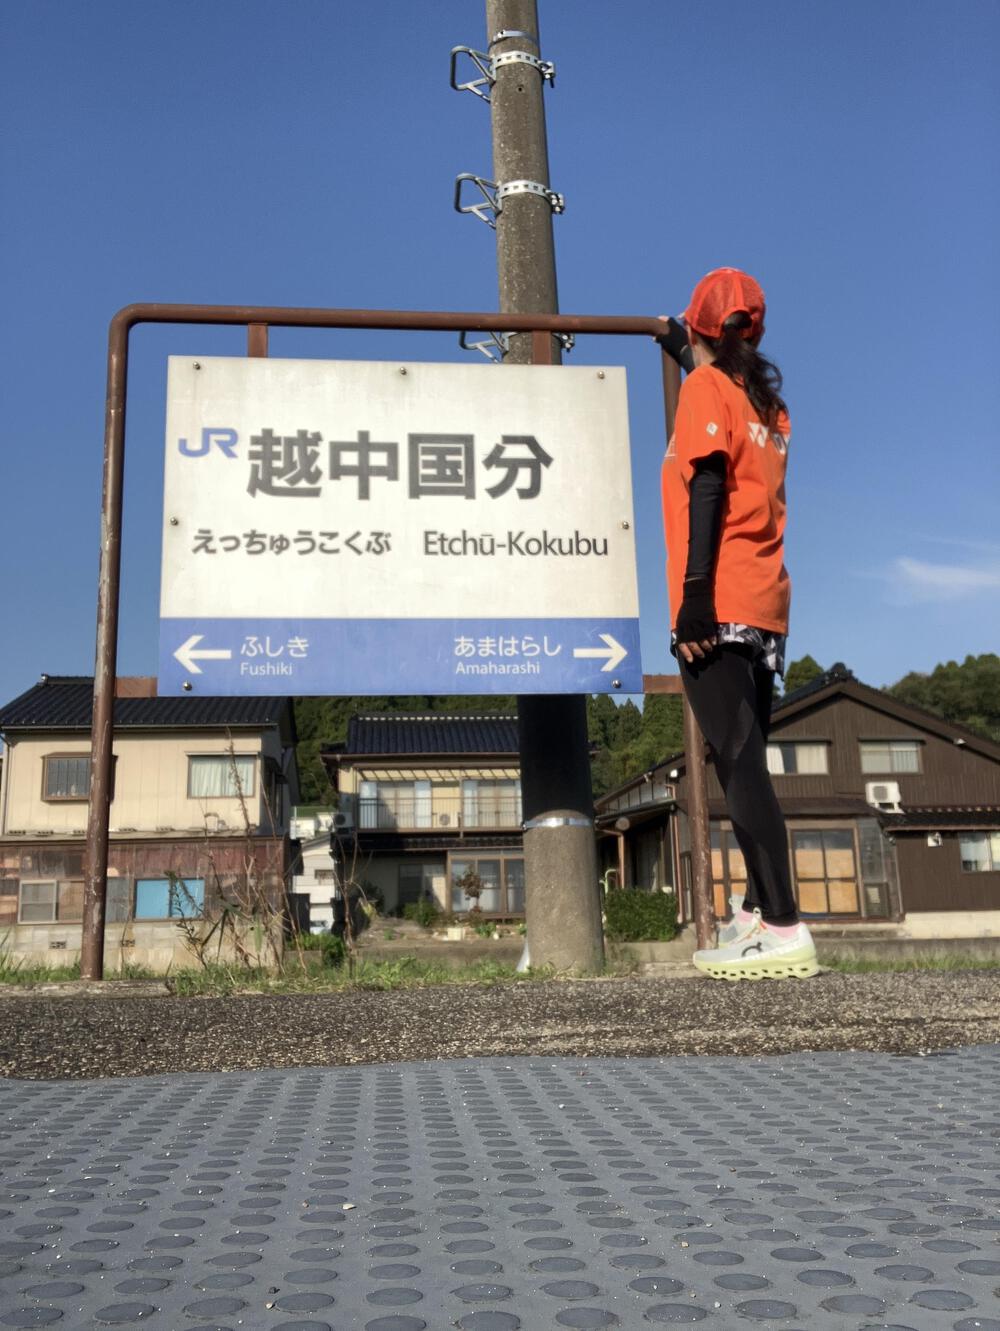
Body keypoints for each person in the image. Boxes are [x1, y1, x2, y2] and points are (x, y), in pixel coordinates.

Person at [659, 267, 819, 980]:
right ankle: (757, 911)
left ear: (698, 327)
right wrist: (687, 354)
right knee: (746, 754)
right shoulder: (767, 405)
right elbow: (739, 451)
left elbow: (710, 483)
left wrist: (694, 595)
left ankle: (785, 925)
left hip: (716, 597)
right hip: (766, 602)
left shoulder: (704, 390)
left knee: (738, 760)